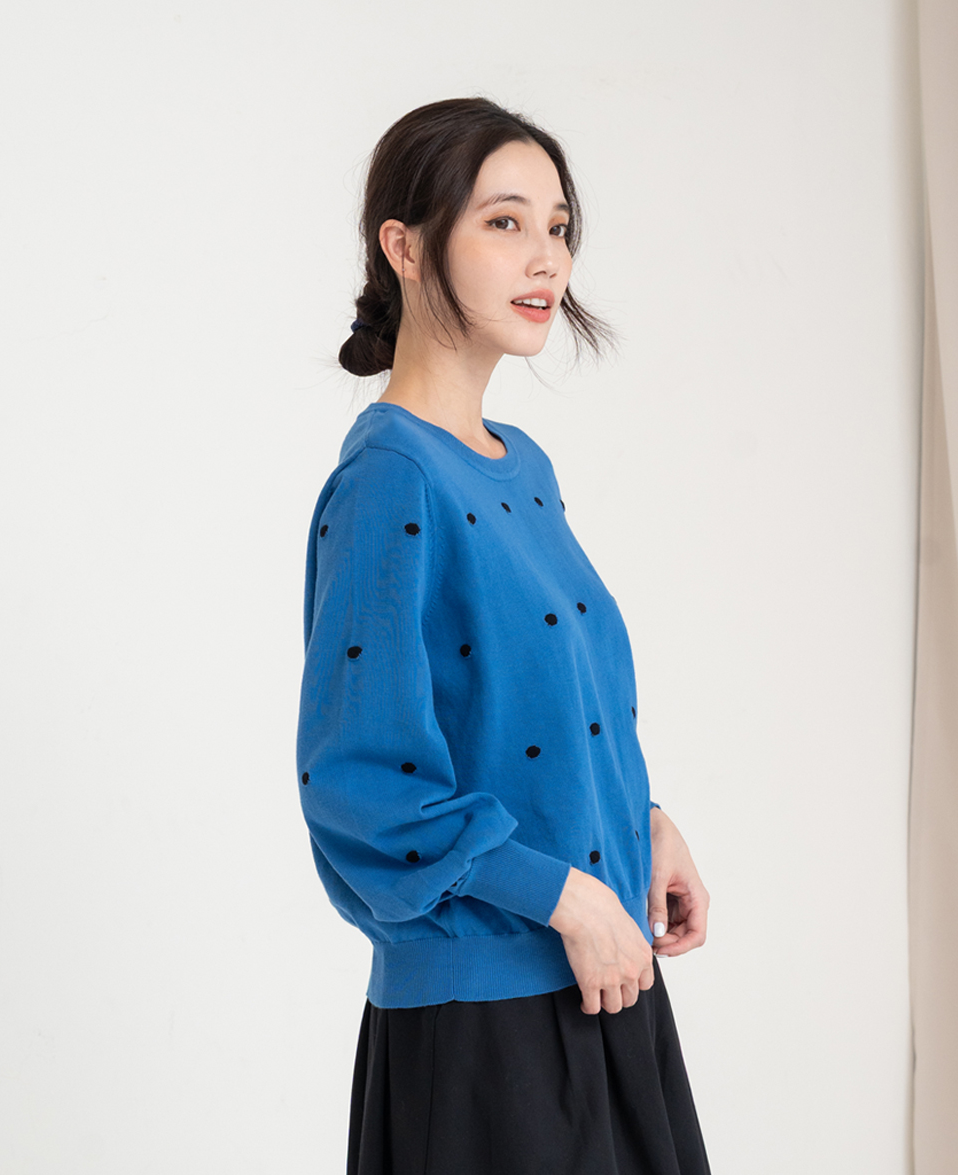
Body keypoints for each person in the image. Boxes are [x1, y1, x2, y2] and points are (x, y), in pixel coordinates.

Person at [296, 96, 713, 1175]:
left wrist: (638, 819)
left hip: (600, 981)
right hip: (491, 1032)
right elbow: (360, 783)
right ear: (403, 246)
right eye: (504, 221)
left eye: (559, 227)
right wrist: (566, 893)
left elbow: (527, 708)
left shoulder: (519, 464)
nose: (546, 258)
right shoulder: (391, 478)